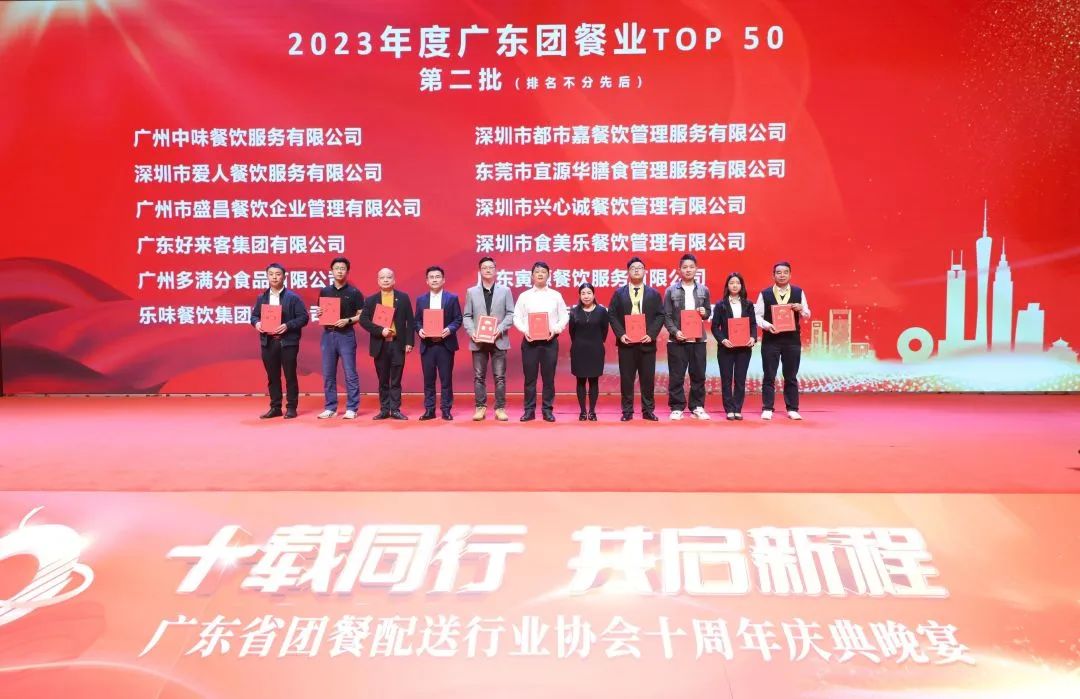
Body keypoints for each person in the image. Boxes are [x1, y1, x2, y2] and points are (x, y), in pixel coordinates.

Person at [607, 257, 665, 421]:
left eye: (640, 267)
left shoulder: (653, 294)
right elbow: (612, 314)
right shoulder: (619, 293)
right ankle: (627, 411)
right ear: (628, 272)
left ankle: (648, 410)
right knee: (627, 379)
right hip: (626, 344)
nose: (637, 270)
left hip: (647, 343)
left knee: (648, 379)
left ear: (645, 271)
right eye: (633, 268)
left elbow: (660, 315)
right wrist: (621, 334)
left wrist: (651, 334)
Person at [250, 262, 309, 419]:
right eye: (271, 274)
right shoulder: (262, 297)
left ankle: (291, 407)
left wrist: (288, 325)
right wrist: (257, 323)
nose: (274, 277)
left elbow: (304, 318)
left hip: (287, 343)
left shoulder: (293, 298)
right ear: (267, 276)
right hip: (268, 342)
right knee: (272, 377)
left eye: (278, 274)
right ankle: (275, 407)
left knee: (290, 376)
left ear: (284, 277)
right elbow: (254, 316)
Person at [512, 261, 569, 422]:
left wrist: (555, 329)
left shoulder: (556, 295)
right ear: (532, 275)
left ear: (548, 275)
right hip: (530, 342)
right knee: (530, 379)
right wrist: (525, 330)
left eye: (543, 271)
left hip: (550, 342)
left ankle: (547, 410)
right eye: (537, 271)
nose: (540, 274)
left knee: (548, 379)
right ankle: (529, 411)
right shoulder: (524, 296)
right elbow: (516, 317)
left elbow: (564, 316)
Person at [755, 261, 811, 420]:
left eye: (785, 272)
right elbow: (757, 316)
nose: (782, 275)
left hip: (792, 340)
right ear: (773, 275)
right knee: (769, 375)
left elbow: (807, 314)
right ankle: (767, 408)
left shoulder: (798, 292)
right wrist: (767, 326)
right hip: (771, 340)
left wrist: (801, 309)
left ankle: (792, 408)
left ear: (790, 275)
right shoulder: (765, 293)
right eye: (778, 272)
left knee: (791, 375)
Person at [462, 257, 516, 421]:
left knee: (500, 377)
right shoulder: (471, 292)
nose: (487, 270)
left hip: (498, 340)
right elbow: (467, 315)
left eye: (490, 267)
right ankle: (480, 408)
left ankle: (500, 408)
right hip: (478, 340)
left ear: (495, 270)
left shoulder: (505, 291)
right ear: (480, 271)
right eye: (484, 267)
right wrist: (472, 332)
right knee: (479, 377)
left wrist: (500, 329)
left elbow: (510, 314)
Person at [359, 267, 414, 420]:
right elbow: (363, 320)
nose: (385, 280)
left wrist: (409, 342)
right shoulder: (371, 300)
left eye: (389, 277)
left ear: (394, 280)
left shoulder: (403, 297)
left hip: (397, 343)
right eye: (382, 277)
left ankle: (395, 409)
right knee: (383, 379)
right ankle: (384, 410)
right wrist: (380, 331)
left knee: (396, 380)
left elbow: (410, 321)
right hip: (380, 344)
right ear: (378, 281)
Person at [662, 253, 712, 421]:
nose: (688, 270)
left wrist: (705, 312)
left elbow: (708, 313)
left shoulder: (704, 290)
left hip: (698, 340)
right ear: (679, 270)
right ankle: (677, 407)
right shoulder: (671, 290)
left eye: (691, 267)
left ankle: (697, 406)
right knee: (677, 375)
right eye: (685, 267)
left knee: (698, 374)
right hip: (677, 340)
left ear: (696, 269)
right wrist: (675, 331)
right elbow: (666, 315)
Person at [312, 257, 364, 420]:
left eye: (343, 268)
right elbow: (320, 311)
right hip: (328, 335)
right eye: (337, 268)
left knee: (350, 373)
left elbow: (361, 315)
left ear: (347, 271)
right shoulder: (325, 291)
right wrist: (319, 313)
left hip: (346, 335)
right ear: (332, 271)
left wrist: (347, 320)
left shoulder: (354, 292)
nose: (340, 271)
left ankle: (352, 408)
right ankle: (330, 407)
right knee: (328, 373)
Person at [414, 265, 463, 421]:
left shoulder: (452, 298)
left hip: (445, 345)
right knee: (429, 380)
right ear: (427, 281)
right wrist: (420, 330)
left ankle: (446, 410)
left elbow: (458, 319)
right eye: (431, 277)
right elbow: (417, 320)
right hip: (427, 345)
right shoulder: (421, 299)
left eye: (437, 277)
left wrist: (449, 329)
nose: (434, 280)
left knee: (446, 379)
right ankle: (429, 410)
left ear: (443, 280)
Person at [711, 272, 757, 420]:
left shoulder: (748, 304)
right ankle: (729, 409)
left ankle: (737, 408)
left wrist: (753, 337)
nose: (735, 285)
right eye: (731, 283)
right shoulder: (721, 305)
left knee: (740, 379)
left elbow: (753, 324)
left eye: (737, 283)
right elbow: (714, 327)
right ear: (727, 286)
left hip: (744, 348)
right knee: (726, 379)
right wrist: (723, 340)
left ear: (741, 286)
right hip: (726, 348)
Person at [568, 283, 609, 421]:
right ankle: (582, 411)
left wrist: (596, 342)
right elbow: (572, 332)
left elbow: (604, 330)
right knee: (580, 381)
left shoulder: (602, 311)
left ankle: (592, 411)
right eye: (583, 293)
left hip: (596, 350)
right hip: (579, 350)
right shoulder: (574, 311)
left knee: (593, 381)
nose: (586, 296)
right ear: (579, 295)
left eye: (589, 293)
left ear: (594, 294)